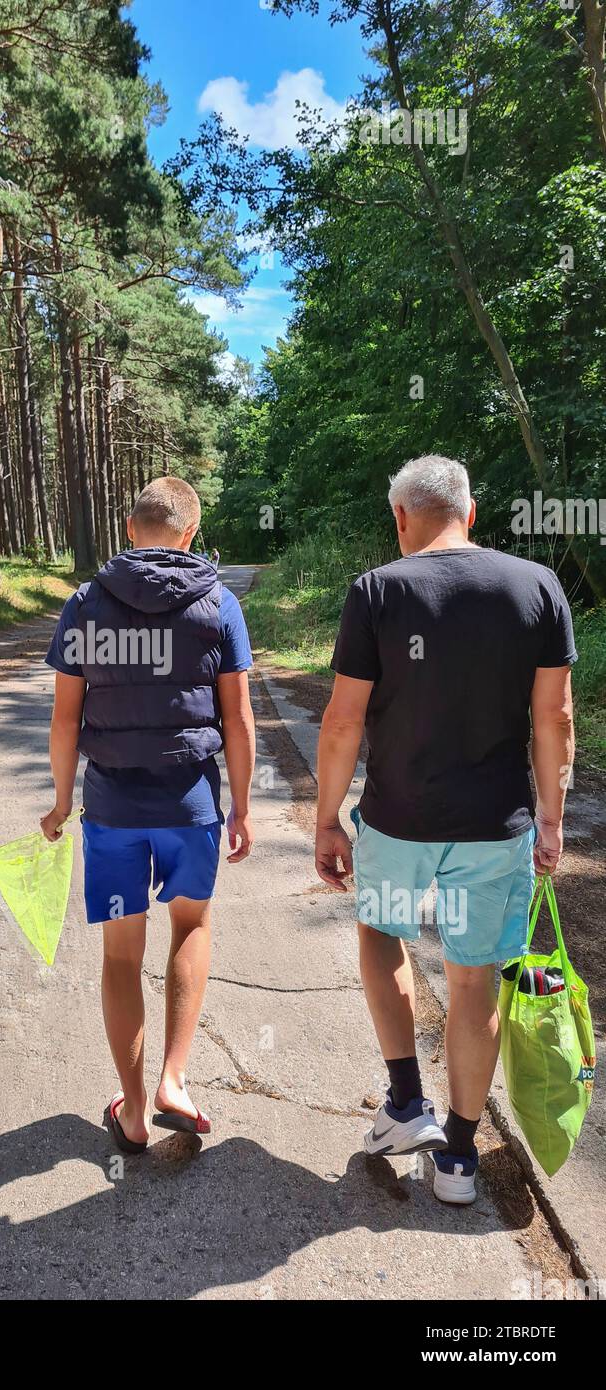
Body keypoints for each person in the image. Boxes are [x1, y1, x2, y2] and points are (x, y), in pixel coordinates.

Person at [314, 455, 576, 1205]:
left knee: (379, 932)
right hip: (494, 824)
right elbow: (553, 717)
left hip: (396, 819)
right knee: (474, 979)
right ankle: (458, 1159)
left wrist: (328, 818)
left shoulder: (376, 591)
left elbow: (341, 720)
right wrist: (550, 818)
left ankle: (403, 1105)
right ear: (471, 510)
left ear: (400, 517)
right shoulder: (535, 586)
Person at [41, 477, 256, 1152]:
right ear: (190, 534)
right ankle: (174, 1080)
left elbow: (65, 719)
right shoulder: (218, 604)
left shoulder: (85, 603)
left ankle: (132, 1111)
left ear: (130, 529)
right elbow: (239, 719)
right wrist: (242, 808)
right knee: (190, 925)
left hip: (110, 806)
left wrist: (57, 801)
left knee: (119, 956)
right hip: (189, 802)